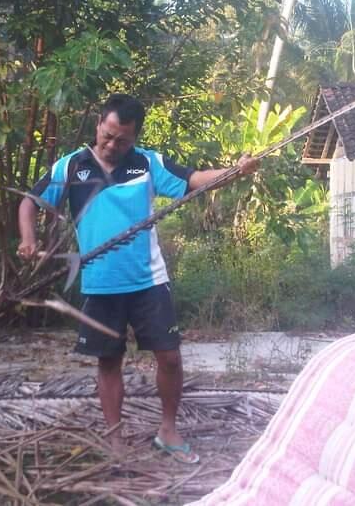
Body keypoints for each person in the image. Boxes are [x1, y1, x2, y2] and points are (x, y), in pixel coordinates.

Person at [17, 94, 259, 464]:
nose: (112, 145)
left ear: (135, 137)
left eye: (122, 140)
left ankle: (168, 431)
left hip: (148, 280)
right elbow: (29, 201)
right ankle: (115, 439)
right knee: (109, 361)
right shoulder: (71, 167)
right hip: (100, 284)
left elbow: (194, 180)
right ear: (98, 124)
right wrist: (29, 239)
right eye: (108, 136)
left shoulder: (147, 163)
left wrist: (234, 171)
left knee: (170, 358)